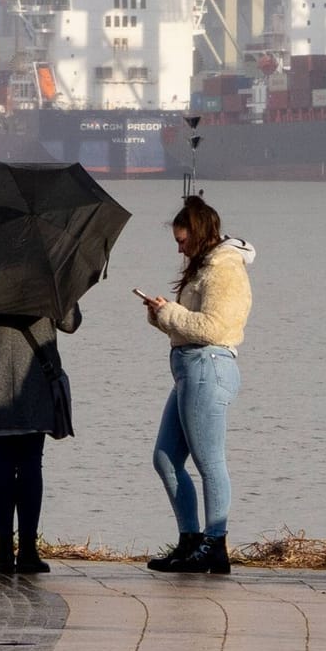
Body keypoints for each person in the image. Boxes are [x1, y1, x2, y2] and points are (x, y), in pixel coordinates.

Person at [140, 195, 254, 575]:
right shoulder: (203, 267)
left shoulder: (224, 270)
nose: (179, 247)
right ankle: (190, 540)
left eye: (182, 239)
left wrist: (169, 313)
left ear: (200, 234)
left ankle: (215, 542)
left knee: (209, 461)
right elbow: (190, 323)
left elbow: (214, 328)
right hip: (190, 369)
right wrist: (162, 316)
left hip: (209, 366)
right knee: (165, 458)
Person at [0, 298, 80, 574]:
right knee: (31, 463)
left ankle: (2, 553)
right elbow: (70, 323)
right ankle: (28, 552)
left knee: (0, 462)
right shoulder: (48, 274)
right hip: (34, 380)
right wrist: (69, 291)